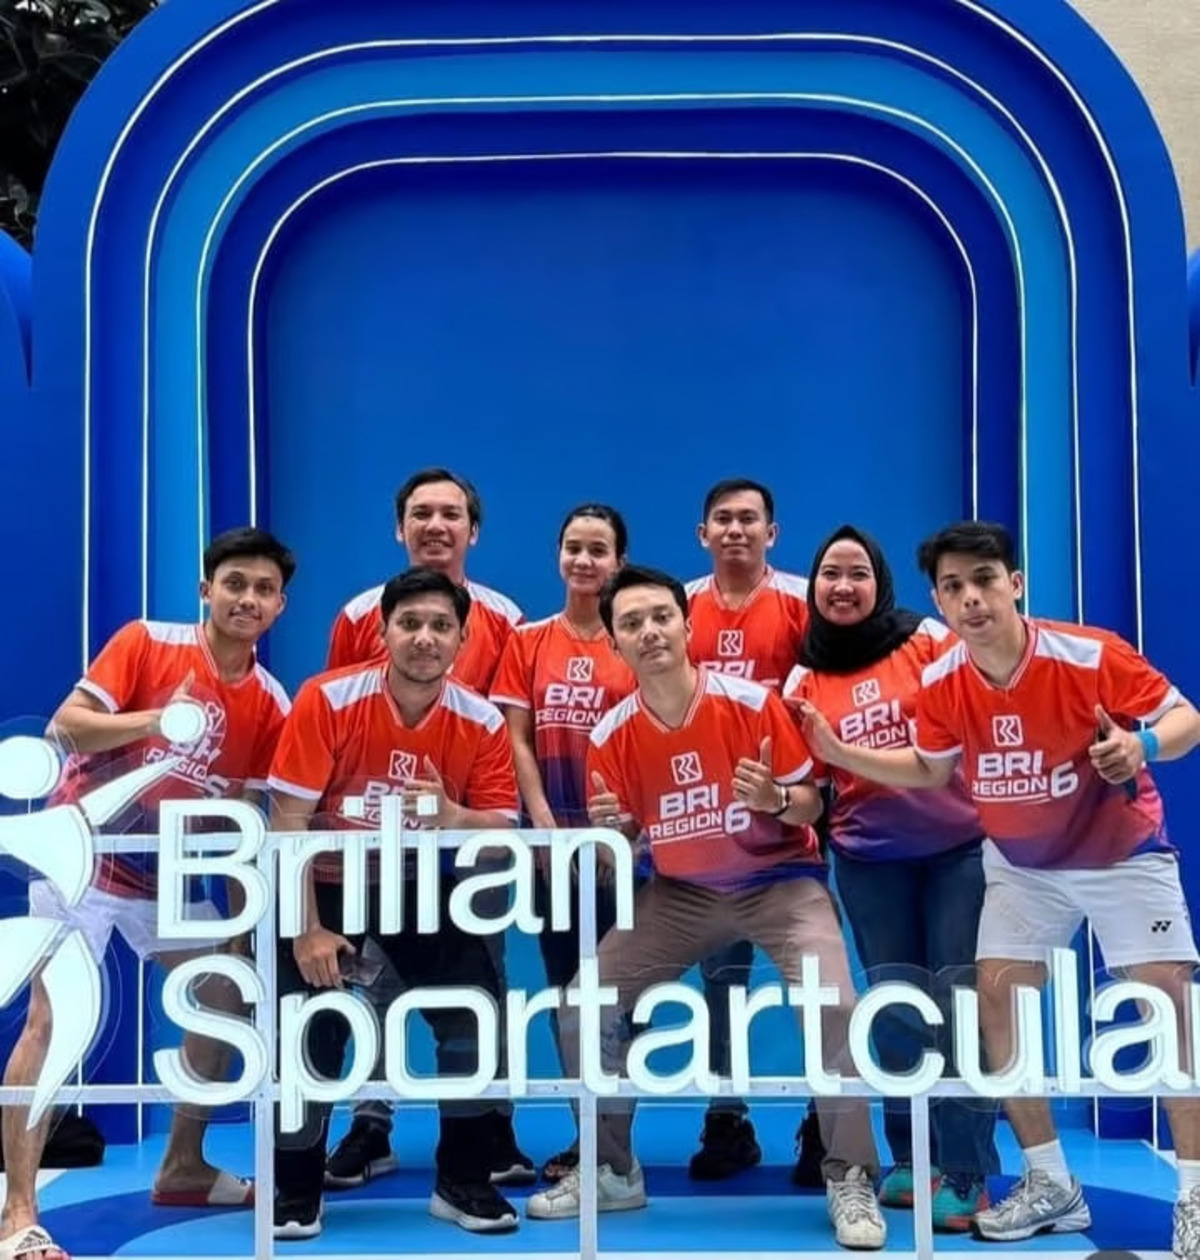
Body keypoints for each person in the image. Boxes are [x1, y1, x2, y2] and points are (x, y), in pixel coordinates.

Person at [796, 521, 1200, 1253]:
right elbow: (930, 768)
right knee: (995, 1010)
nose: (971, 599)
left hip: (1120, 857)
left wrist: (1139, 745)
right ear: (937, 601)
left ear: (1014, 584)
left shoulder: (1089, 653)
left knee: (1168, 1014)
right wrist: (838, 752)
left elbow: (1185, 719)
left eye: (983, 581)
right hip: (1020, 867)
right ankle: (1051, 1183)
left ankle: (1197, 1193)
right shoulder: (942, 681)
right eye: (953, 587)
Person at [525, 566, 886, 1250]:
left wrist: (774, 800)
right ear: (615, 642)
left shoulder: (751, 703)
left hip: (779, 881)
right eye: (631, 623)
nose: (649, 632)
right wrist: (618, 836)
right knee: (579, 1006)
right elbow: (627, 844)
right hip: (682, 893)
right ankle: (612, 1171)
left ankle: (850, 1175)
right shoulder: (611, 734)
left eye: (661, 617)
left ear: (687, 626)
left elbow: (811, 803)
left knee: (835, 1003)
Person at [0, 527, 295, 1260]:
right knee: (52, 1019)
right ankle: (18, 1212)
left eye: (264, 589)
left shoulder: (270, 701)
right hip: (84, 862)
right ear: (206, 590)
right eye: (235, 584)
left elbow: (242, 814)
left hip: (166, 876)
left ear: (280, 605)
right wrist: (156, 721)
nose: (248, 599)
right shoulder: (146, 642)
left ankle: (183, 1166)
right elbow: (67, 728)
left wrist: (237, 918)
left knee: (225, 991)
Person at [267, 568, 524, 1240]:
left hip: (415, 879)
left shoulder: (481, 719)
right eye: (409, 624)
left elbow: (501, 825)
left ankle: (462, 1181)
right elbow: (288, 821)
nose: (424, 638)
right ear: (383, 633)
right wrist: (306, 929)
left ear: (462, 639)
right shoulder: (326, 699)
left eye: (441, 626)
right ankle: (295, 1189)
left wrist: (452, 815)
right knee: (308, 1023)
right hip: (327, 879)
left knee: (473, 1009)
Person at [782, 524, 998, 1230]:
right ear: (814, 588)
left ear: (880, 583)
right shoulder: (803, 679)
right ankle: (911, 1156)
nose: (843, 587)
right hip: (870, 862)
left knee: (958, 1003)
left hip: (959, 852)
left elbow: (968, 726)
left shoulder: (926, 641)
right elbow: (812, 786)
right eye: (831, 575)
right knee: (897, 1008)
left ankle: (965, 1170)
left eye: (858, 574)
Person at [322, 467, 529, 1188]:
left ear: (473, 530)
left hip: (469, 833)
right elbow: (339, 718)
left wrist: (470, 818)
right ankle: (370, 1123)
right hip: (380, 838)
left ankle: (489, 1127)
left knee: (482, 979)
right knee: (374, 975)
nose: (436, 525)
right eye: (421, 513)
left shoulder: (505, 618)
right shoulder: (359, 614)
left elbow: (510, 726)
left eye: (451, 514)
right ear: (399, 528)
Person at [490, 504, 635, 1182]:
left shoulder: (633, 635)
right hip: (552, 851)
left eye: (598, 550)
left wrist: (619, 832)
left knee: (621, 994)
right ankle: (587, 1134)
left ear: (618, 561)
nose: (584, 560)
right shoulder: (528, 641)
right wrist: (543, 826)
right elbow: (517, 738)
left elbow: (650, 733)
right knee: (565, 989)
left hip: (623, 849)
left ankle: (618, 1142)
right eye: (574, 547)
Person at [684, 477, 821, 1183]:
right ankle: (727, 1116)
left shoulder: (803, 603)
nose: (735, 529)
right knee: (723, 981)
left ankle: (824, 1121)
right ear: (702, 534)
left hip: (798, 817)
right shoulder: (679, 608)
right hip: (710, 827)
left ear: (773, 532)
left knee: (815, 981)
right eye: (723, 519)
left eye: (749, 519)